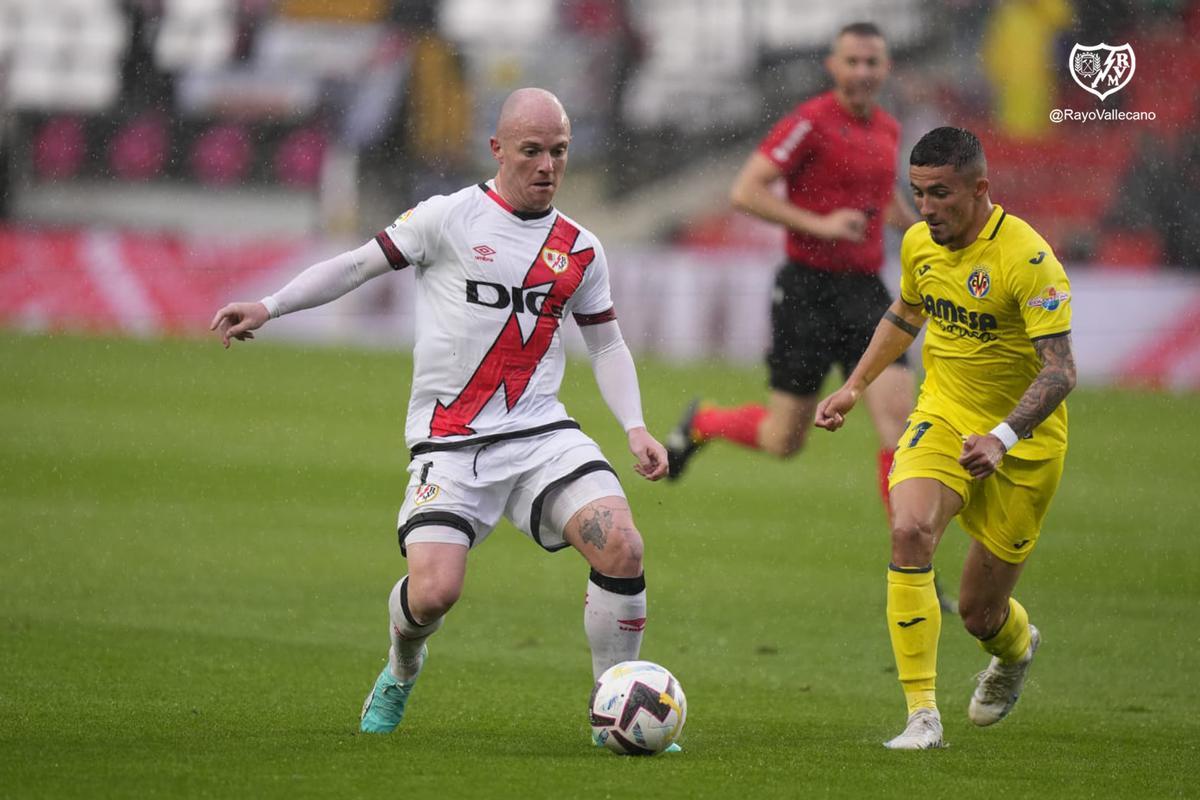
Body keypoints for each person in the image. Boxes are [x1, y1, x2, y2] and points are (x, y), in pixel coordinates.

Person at [210, 88, 671, 740]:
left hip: (540, 433)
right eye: (533, 151)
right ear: (498, 149)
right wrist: (271, 305)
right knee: (433, 594)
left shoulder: (581, 248)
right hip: (450, 442)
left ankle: (611, 709)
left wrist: (635, 426)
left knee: (622, 546)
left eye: (559, 152)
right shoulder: (447, 218)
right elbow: (355, 265)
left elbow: (607, 342)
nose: (547, 166)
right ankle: (401, 667)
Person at [815, 127, 1076, 749]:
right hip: (944, 413)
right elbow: (907, 312)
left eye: (940, 194)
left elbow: (1061, 370)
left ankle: (1015, 651)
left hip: (1024, 446)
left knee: (982, 615)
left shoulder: (1028, 258)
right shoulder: (918, 244)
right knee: (908, 530)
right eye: (917, 193)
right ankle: (922, 718)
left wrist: (1005, 436)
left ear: (980, 189)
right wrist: (854, 385)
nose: (926, 208)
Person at [665, 21, 919, 514]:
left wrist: (924, 235)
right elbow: (746, 191)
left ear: (886, 68)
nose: (863, 71)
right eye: (853, 61)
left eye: (872, 62)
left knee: (900, 427)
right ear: (833, 66)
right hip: (807, 291)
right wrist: (820, 225)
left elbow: (882, 196)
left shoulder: (888, 128)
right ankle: (706, 422)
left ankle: (911, 577)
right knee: (784, 439)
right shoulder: (809, 122)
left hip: (868, 291)